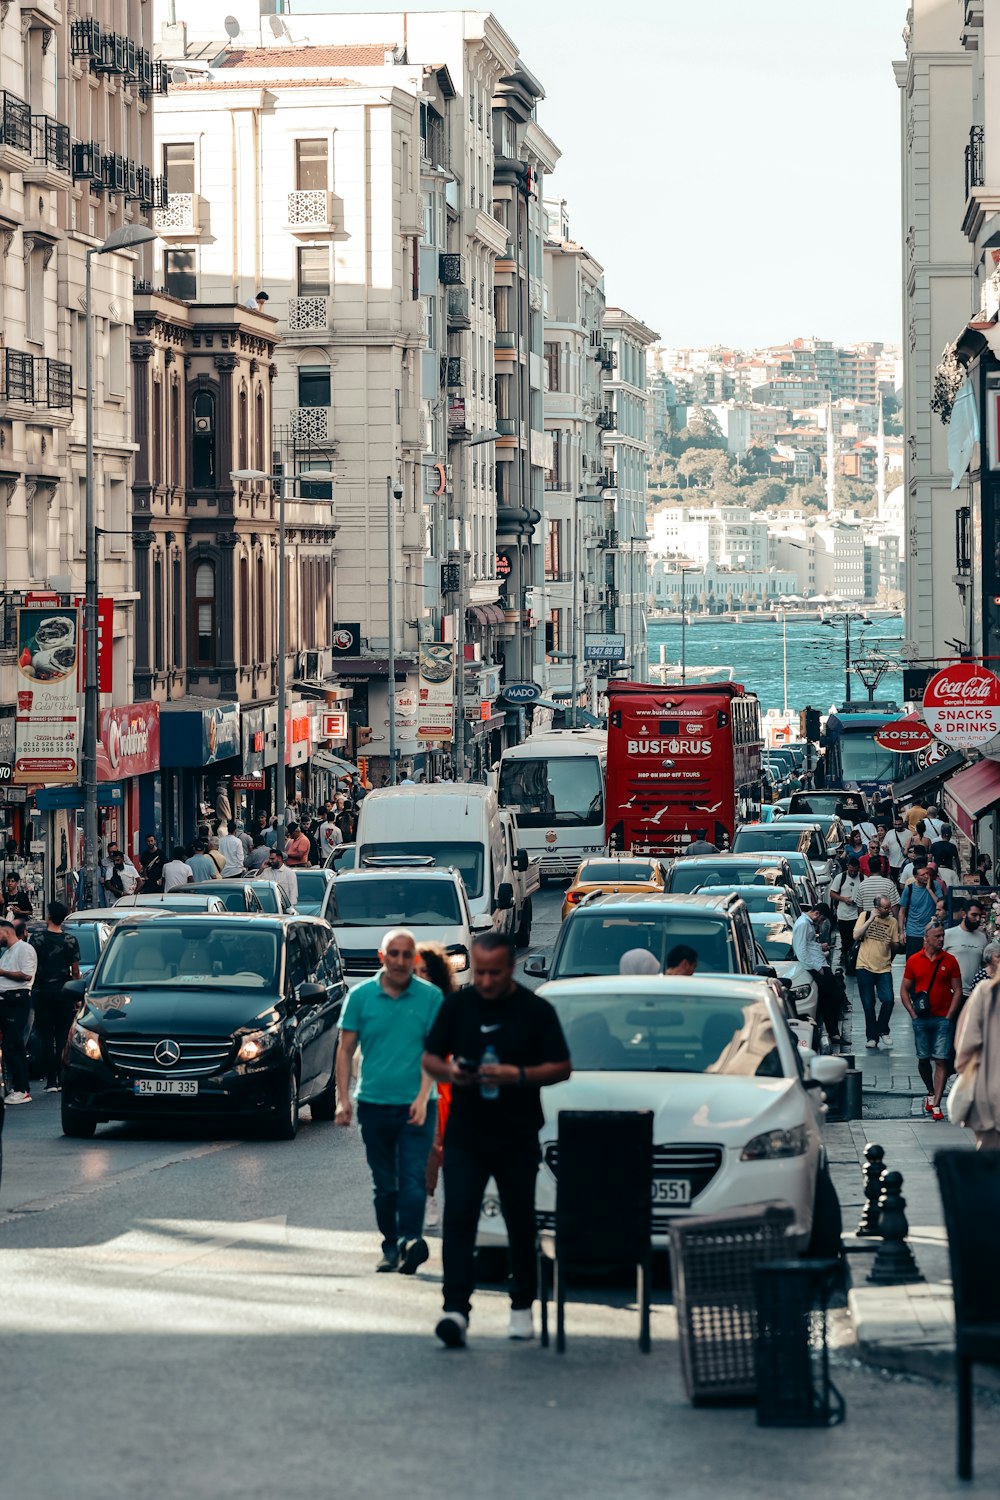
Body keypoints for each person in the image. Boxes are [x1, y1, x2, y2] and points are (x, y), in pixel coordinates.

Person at [422, 932, 572, 1348]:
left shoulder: (534, 1010)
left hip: (517, 1133)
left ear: (510, 969)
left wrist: (517, 1076)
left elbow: (562, 1067)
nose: (485, 980)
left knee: (519, 1221)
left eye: (494, 973)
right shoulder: (458, 1006)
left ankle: (522, 1304)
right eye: (480, 971)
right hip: (465, 1134)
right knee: (459, 1219)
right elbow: (431, 1057)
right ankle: (455, 1309)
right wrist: (453, 1074)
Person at [336, 929, 443, 1274]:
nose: (399, 961)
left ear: (414, 959)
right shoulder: (361, 996)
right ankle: (391, 1246)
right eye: (393, 954)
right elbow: (345, 1050)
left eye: (406, 954)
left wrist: (424, 1095)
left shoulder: (430, 997)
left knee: (412, 1177)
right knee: (385, 1184)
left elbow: (435, 1051)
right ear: (382, 958)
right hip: (373, 1103)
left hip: (418, 1106)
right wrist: (342, 1100)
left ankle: (411, 1241)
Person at [900, 919, 963, 1121]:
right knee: (923, 1058)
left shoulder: (950, 960)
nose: (941, 939)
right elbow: (904, 990)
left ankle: (936, 1102)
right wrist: (912, 1013)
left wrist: (950, 1016)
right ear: (926, 938)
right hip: (922, 1018)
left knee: (941, 1059)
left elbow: (958, 990)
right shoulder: (914, 960)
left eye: (943, 936)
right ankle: (930, 1091)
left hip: (943, 1018)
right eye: (937, 936)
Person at [416, 941, 458, 1229]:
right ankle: (423, 1196)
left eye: (426, 972)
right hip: (412, 1087)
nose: (420, 977)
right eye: (414, 971)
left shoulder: (448, 1007)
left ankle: (439, 1198)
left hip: (446, 1086)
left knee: (443, 1147)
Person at [29, 901, 81, 1092]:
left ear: (49, 917)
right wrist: (77, 998)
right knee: (61, 1037)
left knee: (45, 1037)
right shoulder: (70, 940)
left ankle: (50, 1081)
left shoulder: (37, 939)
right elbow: (75, 972)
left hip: (42, 992)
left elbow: (31, 965)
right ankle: (61, 1077)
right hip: (64, 993)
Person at [954, 963, 1000, 1149]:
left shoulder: (986, 992)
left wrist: (965, 1072)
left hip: (990, 1090)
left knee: (990, 1158)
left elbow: (966, 1042)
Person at [791, 902, 843, 1051]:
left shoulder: (806, 923)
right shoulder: (803, 925)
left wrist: (820, 946)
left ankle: (834, 1033)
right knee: (836, 996)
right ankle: (832, 1031)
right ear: (817, 914)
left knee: (827, 998)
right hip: (816, 966)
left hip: (818, 962)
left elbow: (807, 945)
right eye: (822, 919)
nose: (821, 923)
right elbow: (801, 951)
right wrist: (818, 968)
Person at [852, 895, 901, 1050]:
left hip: (884, 967)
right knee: (868, 1004)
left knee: (888, 1000)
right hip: (864, 966)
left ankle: (882, 1029)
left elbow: (897, 947)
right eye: (885, 908)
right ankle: (872, 1037)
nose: (889, 910)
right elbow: (856, 935)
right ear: (877, 908)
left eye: (889, 907)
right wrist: (870, 919)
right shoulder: (864, 915)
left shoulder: (892, 922)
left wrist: (891, 944)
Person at [0, 917, 38, 1103]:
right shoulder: (7, 952)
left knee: (13, 1045)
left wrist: (3, 973)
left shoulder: (25, 949)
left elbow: (26, 975)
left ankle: (21, 1089)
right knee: (13, 1046)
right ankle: (20, 1087)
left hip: (17, 1000)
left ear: (6, 932)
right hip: (6, 1001)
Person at [943, 899, 988, 1000]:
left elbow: (985, 964)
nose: (977, 919)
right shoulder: (948, 934)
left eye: (980, 916)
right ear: (963, 914)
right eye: (974, 915)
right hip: (952, 993)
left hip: (975, 994)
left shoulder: (982, 937)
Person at [900, 863, 945, 958]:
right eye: (923, 875)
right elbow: (902, 911)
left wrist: (929, 889)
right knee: (913, 960)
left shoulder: (934, 885)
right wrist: (901, 932)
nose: (926, 876)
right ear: (916, 877)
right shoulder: (910, 889)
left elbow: (939, 904)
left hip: (931, 930)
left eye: (927, 874)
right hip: (913, 931)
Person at [830, 856, 863, 965]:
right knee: (845, 939)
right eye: (851, 870)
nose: (853, 873)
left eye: (855, 871)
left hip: (857, 915)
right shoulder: (840, 878)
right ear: (847, 867)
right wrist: (843, 899)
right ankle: (846, 955)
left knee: (855, 939)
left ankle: (853, 959)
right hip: (843, 915)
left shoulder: (863, 878)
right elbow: (832, 893)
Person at [881, 815, 912, 884]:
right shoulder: (889, 833)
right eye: (895, 824)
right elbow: (884, 845)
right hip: (892, 864)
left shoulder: (909, 833)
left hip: (903, 863)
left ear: (903, 824)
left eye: (899, 824)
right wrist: (885, 848)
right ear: (893, 824)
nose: (897, 826)